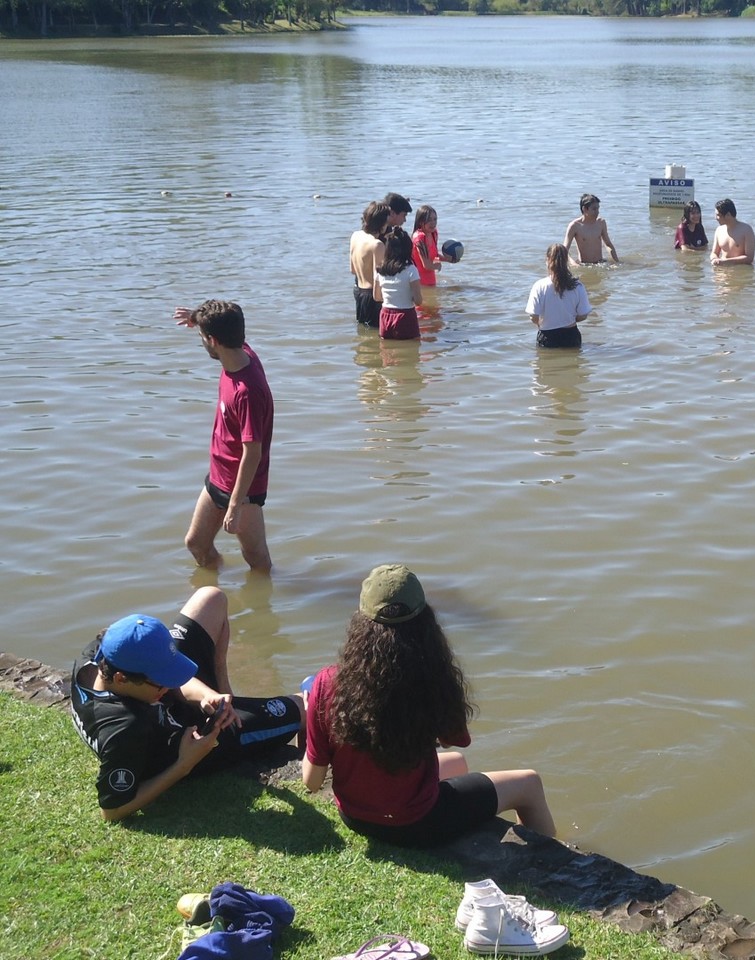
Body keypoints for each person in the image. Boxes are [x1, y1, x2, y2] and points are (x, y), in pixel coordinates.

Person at [302, 564, 556, 846]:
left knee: (457, 764)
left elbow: (312, 781)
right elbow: (453, 738)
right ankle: (552, 860)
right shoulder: (433, 679)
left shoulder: (326, 683)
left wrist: (311, 710)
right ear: (425, 621)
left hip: (355, 816)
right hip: (419, 822)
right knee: (529, 784)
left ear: (361, 621)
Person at [70, 587, 304, 821]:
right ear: (121, 678)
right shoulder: (125, 729)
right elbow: (112, 810)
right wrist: (185, 763)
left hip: (170, 705)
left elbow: (167, 683)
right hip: (196, 743)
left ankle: (221, 683)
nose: (169, 685)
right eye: (162, 682)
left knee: (211, 597)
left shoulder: (98, 655)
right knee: (305, 705)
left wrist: (206, 694)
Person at [175, 299, 274, 571]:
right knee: (196, 543)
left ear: (214, 341)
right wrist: (197, 317)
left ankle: (265, 595)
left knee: (256, 558)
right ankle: (217, 585)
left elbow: (252, 453)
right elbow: (224, 319)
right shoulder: (241, 351)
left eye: (202, 337)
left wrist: (234, 506)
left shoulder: (247, 392)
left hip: (243, 489)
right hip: (219, 476)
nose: (202, 342)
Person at [526, 243, 591, 349]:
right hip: (571, 335)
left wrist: (542, 324)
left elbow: (533, 317)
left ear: (547, 260)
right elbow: (583, 315)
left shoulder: (539, 286)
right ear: (566, 261)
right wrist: (569, 319)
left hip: (548, 336)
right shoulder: (577, 286)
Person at [373, 227, 422, 340]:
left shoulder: (380, 270)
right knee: (411, 349)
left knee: (386, 349)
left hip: (385, 315)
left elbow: (377, 297)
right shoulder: (411, 270)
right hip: (405, 316)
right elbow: (418, 301)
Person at [350, 201, 391, 328]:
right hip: (373, 296)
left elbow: (352, 270)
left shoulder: (355, 236)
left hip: (358, 291)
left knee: (363, 330)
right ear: (382, 225)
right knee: (377, 332)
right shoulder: (377, 245)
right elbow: (379, 278)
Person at [564, 193, 619, 265]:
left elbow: (608, 244)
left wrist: (617, 262)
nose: (597, 212)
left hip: (600, 263)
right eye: (594, 209)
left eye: (598, 208)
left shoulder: (601, 223)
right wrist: (574, 264)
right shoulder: (575, 226)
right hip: (584, 264)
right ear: (584, 209)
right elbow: (564, 251)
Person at [709, 198, 755, 266]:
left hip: (739, 270)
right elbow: (714, 253)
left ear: (728, 215)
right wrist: (715, 259)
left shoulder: (746, 230)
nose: (716, 218)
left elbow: (749, 258)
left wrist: (726, 262)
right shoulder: (719, 230)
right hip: (721, 270)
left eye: (718, 215)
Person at [411, 204, 446, 289]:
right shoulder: (419, 237)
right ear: (420, 221)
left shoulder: (433, 233)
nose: (433, 223)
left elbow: (434, 255)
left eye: (435, 219)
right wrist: (438, 266)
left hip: (431, 281)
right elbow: (427, 265)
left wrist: (449, 259)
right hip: (419, 284)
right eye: (429, 220)